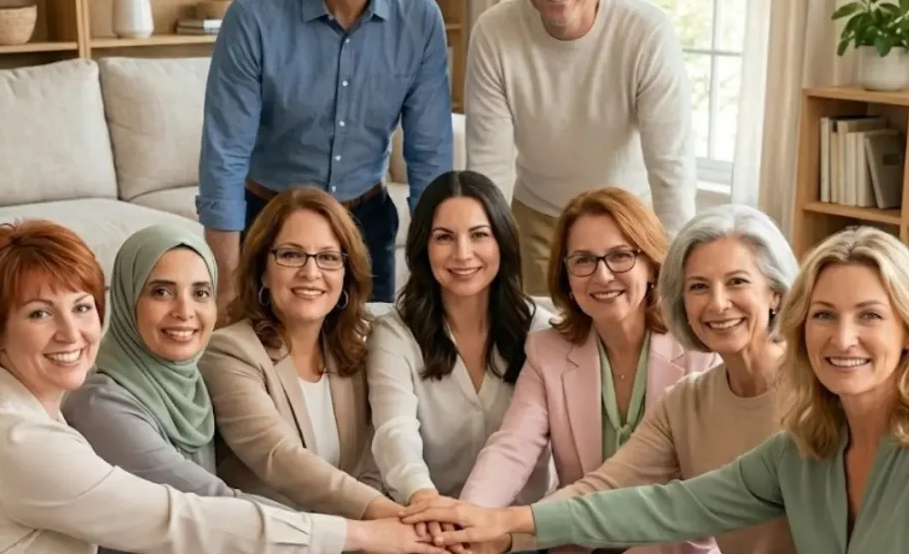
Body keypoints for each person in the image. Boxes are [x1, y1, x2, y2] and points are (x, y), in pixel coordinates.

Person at [399, 226, 909, 554]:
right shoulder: (804, 448)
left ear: (908, 328)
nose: (842, 338)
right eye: (824, 315)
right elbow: (667, 505)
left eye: (870, 317)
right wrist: (507, 522)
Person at [0, 219, 447, 554]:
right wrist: (360, 535)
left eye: (82, 307)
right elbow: (181, 517)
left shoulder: (24, 410)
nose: (72, 333)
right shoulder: (25, 439)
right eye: (40, 314)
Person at [197, 0, 453, 309]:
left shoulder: (421, 19)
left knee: (369, 360)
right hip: (268, 220)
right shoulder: (253, 16)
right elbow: (225, 156)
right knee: (262, 360)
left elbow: (430, 155)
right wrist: (227, 284)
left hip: (366, 221)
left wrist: (438, 272)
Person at [499, 204, 801, 554]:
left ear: (775, 292)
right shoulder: (684, 402)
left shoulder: (818, 391)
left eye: (737, 282)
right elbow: (604, 488)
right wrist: (496, 528)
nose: (718, 304)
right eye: (699, 287)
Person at [457, 187, 718, 554]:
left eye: (620, 256)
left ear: (652, 265)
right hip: (577, 544)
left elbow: (700, 496)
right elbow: (512, 448)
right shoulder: (546, 350)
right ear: (566, 275)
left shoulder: (701, 352)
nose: (603, 275)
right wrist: (469, 522)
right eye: (583, 260)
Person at [464, 0, 695, 295]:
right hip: (537, 218)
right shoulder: (494, 33)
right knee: (540, 342)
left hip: (626, 217)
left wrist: (680, 272)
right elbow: (489, 166)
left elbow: (671, 165)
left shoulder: (646, 32)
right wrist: (484, 257)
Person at [366, 171, 556, 540]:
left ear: (502, 240)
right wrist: (427, 504)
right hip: (426, 527)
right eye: (444, 238)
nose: (462, 254)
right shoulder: (394, 333)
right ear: (424, 247)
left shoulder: (542, 332)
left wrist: (474, 526)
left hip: (518, 535)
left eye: (479, 235)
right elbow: (395, 434)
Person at [63, 224, 284, 542]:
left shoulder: (195, 381)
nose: (185, 311)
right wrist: (349, 538)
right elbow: (211, 502)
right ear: (128, 301)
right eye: (161, 292)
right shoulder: (101, 405)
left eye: (200, 293)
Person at [198, 186, 398, 520]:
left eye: (328, 257)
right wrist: (388, 517)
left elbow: (372, 460)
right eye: (291, 254)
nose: (311, 272)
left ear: (346, 274)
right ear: (263, 269)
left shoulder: (358, 348)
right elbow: (280, 457)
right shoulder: (229, 352)